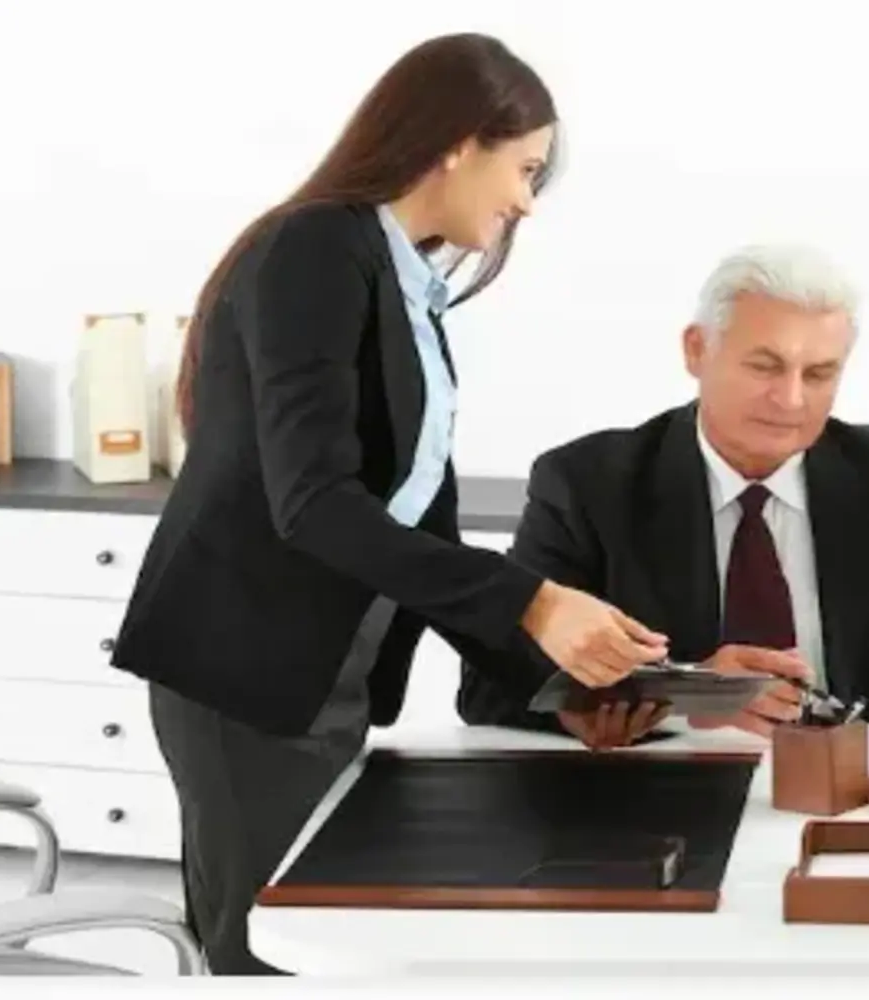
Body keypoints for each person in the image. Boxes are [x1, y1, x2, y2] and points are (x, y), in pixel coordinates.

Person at [108, 34, 669, 975]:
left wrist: (550, 696)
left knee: (319, 945)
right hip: (247, 672)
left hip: (327, 669)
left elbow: (421, 531)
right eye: (525, 169)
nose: (527, 202)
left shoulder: (409, 291)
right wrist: (535, 601)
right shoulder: (315, 247)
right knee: (267, 955)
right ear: (458, 142)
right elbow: (314, 503)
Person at [456, 244, 869, 747]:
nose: (791, 399)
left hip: (857, 788)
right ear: (696, 350)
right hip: (661, 789)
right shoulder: (588, 485)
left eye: (819, 374)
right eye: (765, 366)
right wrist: (688, 697)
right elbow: (490, 685)